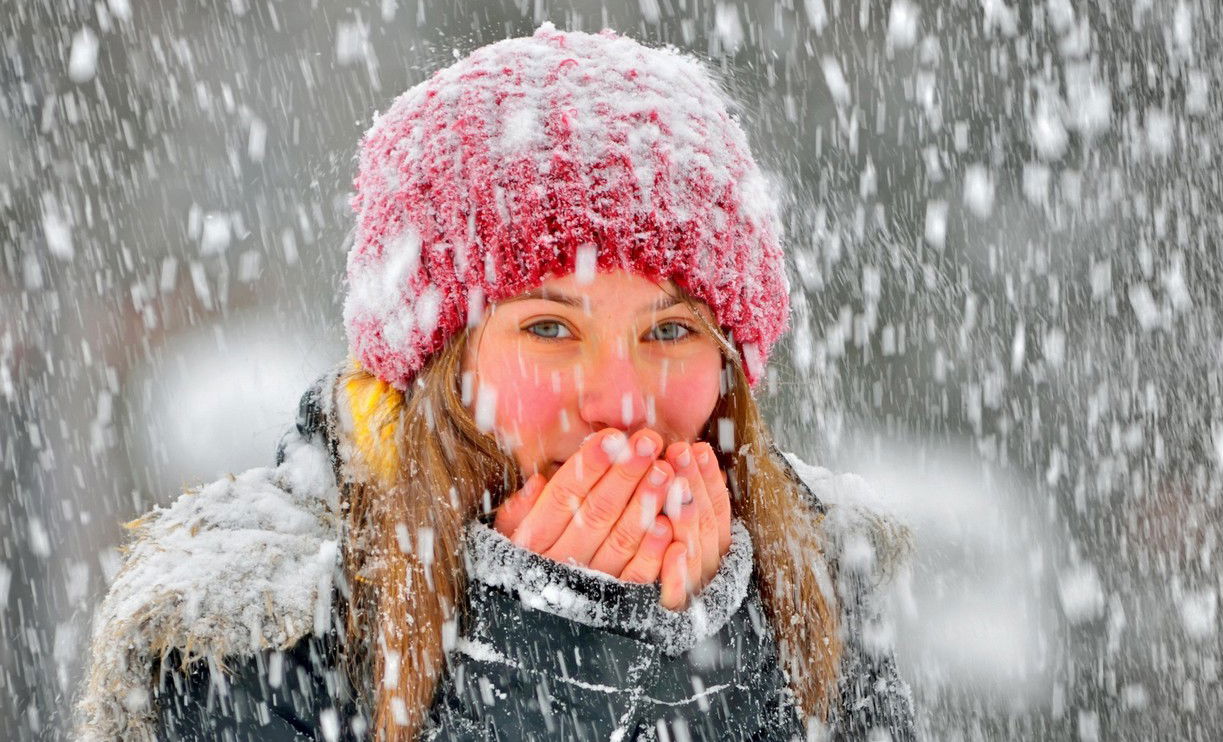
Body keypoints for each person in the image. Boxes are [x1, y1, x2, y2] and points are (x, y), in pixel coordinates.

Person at [76, 24, 916, 741]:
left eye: (671, 330)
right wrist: (544, 674)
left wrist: (708, 658)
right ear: (436, 367)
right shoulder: (250, 634)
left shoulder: (808, 583)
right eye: (550, 328)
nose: (621, 401)